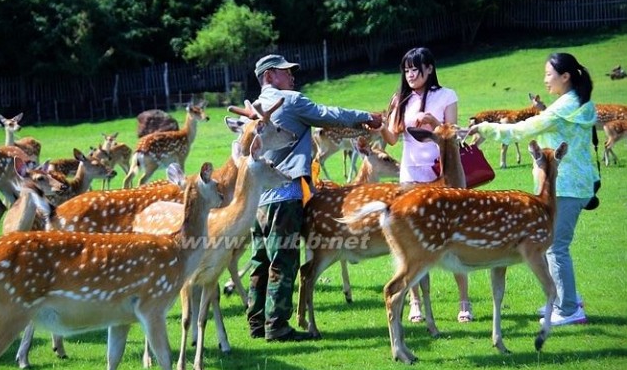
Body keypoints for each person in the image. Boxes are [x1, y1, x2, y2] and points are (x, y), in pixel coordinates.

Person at [247, 54, 383, 342]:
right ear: (269, 76)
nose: (292, 76)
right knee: (284, 259)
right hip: (285, 195)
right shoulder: (290, 101)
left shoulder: (254, 109)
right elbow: (329, 115)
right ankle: (278, 327)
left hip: (256, 198)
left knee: (260, 260)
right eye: (286, 72)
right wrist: (367, 117)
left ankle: (257, 323)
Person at [468, 52, 597, 326]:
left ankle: (570, 309)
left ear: (566, 77)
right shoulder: (577, 103)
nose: (545, 80)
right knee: (553, 245)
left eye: (549, 74)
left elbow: (523, 130)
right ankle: (565, 297)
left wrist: (485, 128)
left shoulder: (564, 108)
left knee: (556, 248)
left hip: (565, 187)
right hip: (573, 184)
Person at [379, 47, 473, 324]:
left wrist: (433, 123)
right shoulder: (402, 99)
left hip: (442, 175)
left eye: (414, 69)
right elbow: (393, 139)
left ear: (429, 69)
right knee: (414, 242)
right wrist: (378, 126)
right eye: (406, 69)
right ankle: (415, 302)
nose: (409, 74)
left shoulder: (447, 96)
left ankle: (464, 301)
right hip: (410, 177)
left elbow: (451, 134)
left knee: (453, 235)